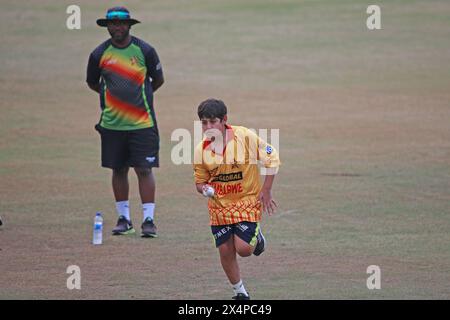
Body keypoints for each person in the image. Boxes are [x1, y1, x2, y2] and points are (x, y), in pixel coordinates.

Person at [86, 7, 164, 238]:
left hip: (143, 123)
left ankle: (148, 220)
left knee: (143, 169)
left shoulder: (145, 51)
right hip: (112, 124)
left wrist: (139, 100)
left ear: (129, 25)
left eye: (122, 24)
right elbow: (93, 83)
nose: (117, 28)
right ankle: (124, 219)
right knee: (118, 169)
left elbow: (157, 80)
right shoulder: (99, 54)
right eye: (113, 24)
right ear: (107, 26)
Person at [193, 99, 280, 300]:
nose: (208, 127)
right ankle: (239, 291)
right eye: (204, 123)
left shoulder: (245, 137)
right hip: (219, 208)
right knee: (225, 250)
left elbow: (271, 156)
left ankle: (257, 238)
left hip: (246, 201)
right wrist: (204, 189)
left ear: (224, 120)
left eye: (213, 121)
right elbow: (199, 182)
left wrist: (266, 190)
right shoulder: (201, 150)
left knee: (243, 249)